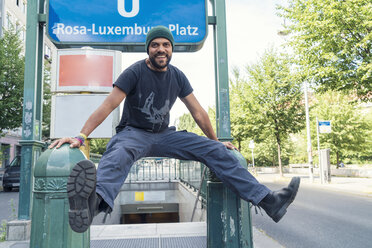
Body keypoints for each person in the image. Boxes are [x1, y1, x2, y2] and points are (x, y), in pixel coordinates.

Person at [49, 26, 300, 233]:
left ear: (172, 49)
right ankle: (93, 204)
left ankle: (270, 201)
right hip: (134, 133)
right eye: (155, 45)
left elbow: (198, 112)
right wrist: (82, 135)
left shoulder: (177, 76)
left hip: (165, 135)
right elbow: (108, 104)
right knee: (119, 152)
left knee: (218, 152)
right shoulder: (135, 72)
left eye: (165, 45)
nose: (161, 49)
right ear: (148, 48)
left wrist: (215, 141)